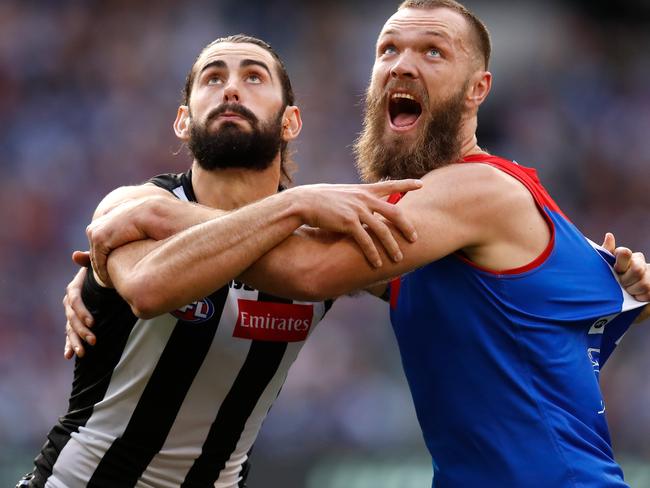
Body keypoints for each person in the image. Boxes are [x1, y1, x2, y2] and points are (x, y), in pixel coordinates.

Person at [62, 2, 650, 487]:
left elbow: (307, 266)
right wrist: (623, 295)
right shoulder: (418, 236)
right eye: (388, 50)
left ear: (479, 89)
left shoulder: (479, 188)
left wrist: (168, 216)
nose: (401, 65)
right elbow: (538, 328)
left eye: (432, 51)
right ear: (182, 120)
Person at [18, 34, 424, 488]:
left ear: (291, 122)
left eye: (254, 76)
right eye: (213, 78)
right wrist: (296, 206)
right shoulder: (132, 205)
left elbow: (435, 281)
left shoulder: (320, 235)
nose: (231, 89)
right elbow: (150, 291)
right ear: (183, 122)